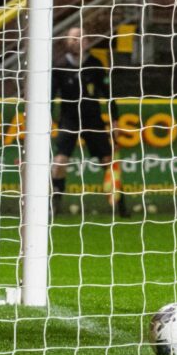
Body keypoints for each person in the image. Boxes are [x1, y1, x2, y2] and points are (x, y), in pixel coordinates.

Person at [51, 27, 128, 217]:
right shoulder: (59, 66)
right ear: (67, 42)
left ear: (86, 42)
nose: (76, 41)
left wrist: (115, 120)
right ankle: (53, 205)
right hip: (69, 119)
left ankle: (120, 205)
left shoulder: (94, 64)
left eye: (79, 38)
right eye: (72, 38)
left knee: (108, 161)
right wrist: (48, 116)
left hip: (92, 119)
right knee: (59, 161)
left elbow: (108, 95)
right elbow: (51, 95)